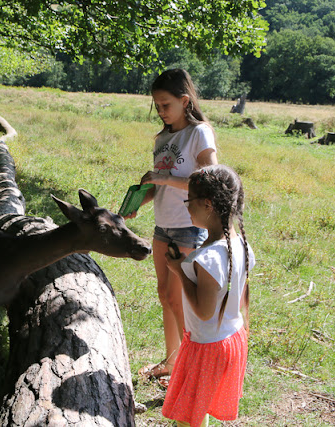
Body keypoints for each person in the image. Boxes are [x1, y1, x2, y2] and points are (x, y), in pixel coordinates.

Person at [128, 68, 218, 382]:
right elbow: (161, 185)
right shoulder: (162, 137)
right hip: (163, 226)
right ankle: (171, 362)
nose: (161, 111)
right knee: (166, 295)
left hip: (189, 227)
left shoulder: (199, 133)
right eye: (157, 106)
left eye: (166, 105)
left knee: (183, 302)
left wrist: (163, 177)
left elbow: (210, 179)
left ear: (185, 100)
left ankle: (191, 370)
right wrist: (139, 199)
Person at [162, 165, 255, 427]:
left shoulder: (208, 258)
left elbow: (204, 311)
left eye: (188, 200)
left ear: (207, 204)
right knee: (199, 404)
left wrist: (180, 271)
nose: (187, 207)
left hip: (206, 347)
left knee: (188, 416)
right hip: (231, 337)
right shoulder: (240, 244)